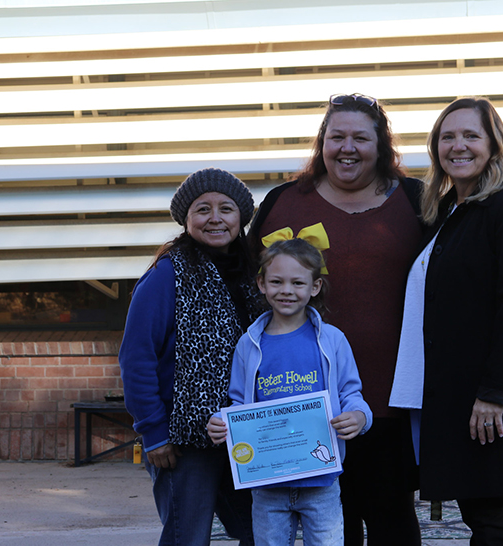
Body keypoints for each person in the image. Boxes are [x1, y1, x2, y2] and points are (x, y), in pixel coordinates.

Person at [249, 93, 423, 545]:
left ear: (381, 145)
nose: (348, 148)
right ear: (321, 142)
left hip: (392, 396)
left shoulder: (417, 200)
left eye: (361, 138)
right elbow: (249, 287)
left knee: (392, 520)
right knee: (328, 526)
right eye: (337, 136)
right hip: (302, 404)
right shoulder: (283, 202)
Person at [389, 97, 503, 546]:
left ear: (495, 144)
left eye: (470, 135)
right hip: (459, 402)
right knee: (482, 521)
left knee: (495, 524)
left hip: (493, 406)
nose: (457, 146)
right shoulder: (447, 213)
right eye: (448, 137)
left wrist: (496, 394)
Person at [119, 167, 264, 546]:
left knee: (260, 531)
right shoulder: (166, 275)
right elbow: (137, 357)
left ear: (241, 217)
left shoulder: (256, 275)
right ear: (186, 218)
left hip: (246, 429)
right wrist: (153, 432)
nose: (215, 218)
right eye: (203, 209)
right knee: (188, 536)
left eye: (226, 209)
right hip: (183, 441)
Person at [208, 237, 373, 546]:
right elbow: (239, 402)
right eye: (277, 281)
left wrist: (360, 416)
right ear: (261, 283)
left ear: (315, 287)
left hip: (321, 480)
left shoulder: (333, 340)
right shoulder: (249, 344)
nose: (286, 290)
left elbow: (352, 392)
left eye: (298, 282)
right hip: (267, 482)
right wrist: (223, 422)